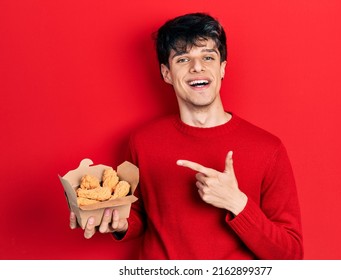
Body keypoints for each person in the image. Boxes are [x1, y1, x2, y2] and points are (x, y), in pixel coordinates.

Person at [70, 12, 303, 260]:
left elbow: (290, 255)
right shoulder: (143, 141)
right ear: (166, 73)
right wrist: (118, 222)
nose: (197, 67)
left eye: (208, 57)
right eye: (182, 59)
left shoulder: (267, 148)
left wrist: (237, 203)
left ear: (222, 68)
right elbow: (138, 215)